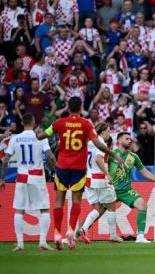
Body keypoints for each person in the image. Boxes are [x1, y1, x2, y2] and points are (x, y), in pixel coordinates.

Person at [36, 96, 124, 250]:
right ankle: (72, 230)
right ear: (81, 107)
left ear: (68, 107)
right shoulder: (86, 124)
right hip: (78, 169)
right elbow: (98, 146)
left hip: (63, 166)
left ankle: (57, 233)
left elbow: (42, 135)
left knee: (59, 201)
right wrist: (113, 154)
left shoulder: (59, 123)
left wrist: (40, 134)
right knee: (79, 202)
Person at [0, 113, 57, 251]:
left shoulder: (15, 139)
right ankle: (42, 242)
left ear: (23, 123)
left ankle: (20, 244)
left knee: (19, 210)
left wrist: (2, 178)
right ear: (33, 122)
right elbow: (50, 156)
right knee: (44, 209)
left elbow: (6, 159)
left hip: (21, 177)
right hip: (37, 177)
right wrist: (57, 172)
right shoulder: (40, 137)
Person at [108, 132, 155, 243]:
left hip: (126, 191)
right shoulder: (110, 154)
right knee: (97, 212)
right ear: (119, 141)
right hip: (111, 190)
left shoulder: (133, 157)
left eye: (130, 139)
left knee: (142, 205)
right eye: (127, 139)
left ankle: (140, 236)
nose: (130, 141)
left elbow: (145, 173)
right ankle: (76, 234)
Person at [77, 122, 121, 243]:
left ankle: (84, 228)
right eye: (108, 130)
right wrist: (107, 174)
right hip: (100, 179)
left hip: (89, 179)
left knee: (97, 209)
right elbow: (98, 159)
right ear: (102, 132)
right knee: (111, 205)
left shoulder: (89, 142)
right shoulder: (100, 143)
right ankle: (112, 235)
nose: (109, 133)